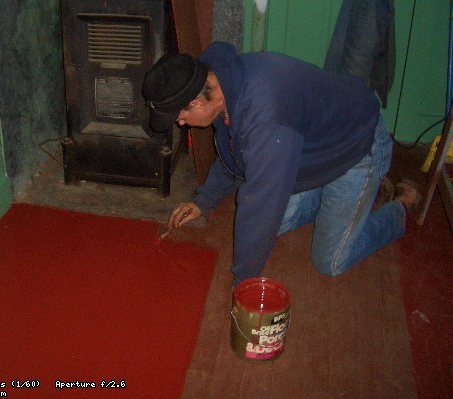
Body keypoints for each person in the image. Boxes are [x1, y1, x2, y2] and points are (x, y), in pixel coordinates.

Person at [142, 42, 420, 287]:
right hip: (313, 148)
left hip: (358, 147)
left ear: (198, 103)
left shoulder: (265, 117)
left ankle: (398, 208)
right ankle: (360, 196)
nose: (180, 123)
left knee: (330, 261)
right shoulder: (216, 80)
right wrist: (205, 200)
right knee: (280, 220)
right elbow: (233, 155)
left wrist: (244, 283)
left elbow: (261, 204)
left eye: (179, 117)